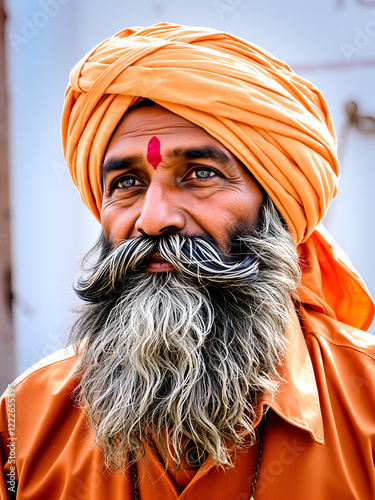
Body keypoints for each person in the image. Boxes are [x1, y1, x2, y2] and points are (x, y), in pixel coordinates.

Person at [1, 23, 374, 500]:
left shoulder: (367, 411)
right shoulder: (24, 427)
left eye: (200, 174)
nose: (153, 220)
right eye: (126, 183)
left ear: (277, 210)